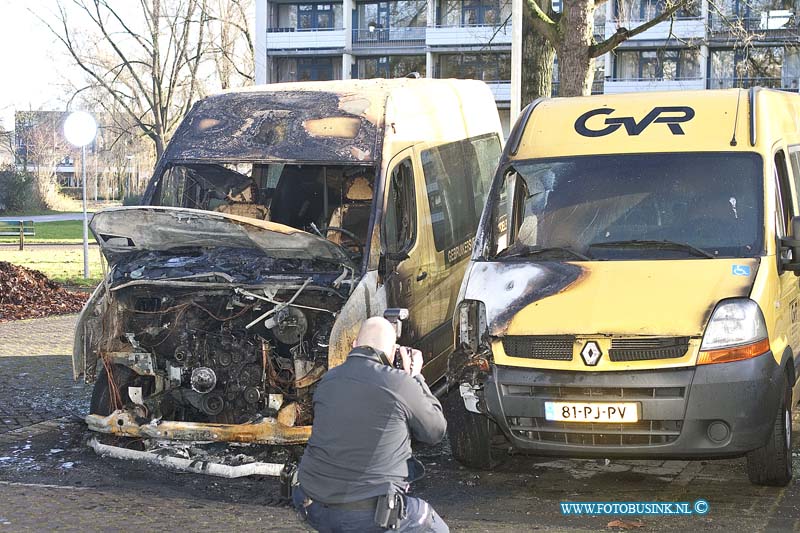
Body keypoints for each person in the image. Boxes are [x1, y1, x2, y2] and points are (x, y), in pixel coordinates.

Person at [293, 317, 449, 532]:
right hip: (364, 515)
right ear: (393, 351)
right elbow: (435, 431)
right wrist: (416, 377)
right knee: (434, 527)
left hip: (311, 505)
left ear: (354, 344)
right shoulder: (400, 383)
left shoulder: (328, 380)